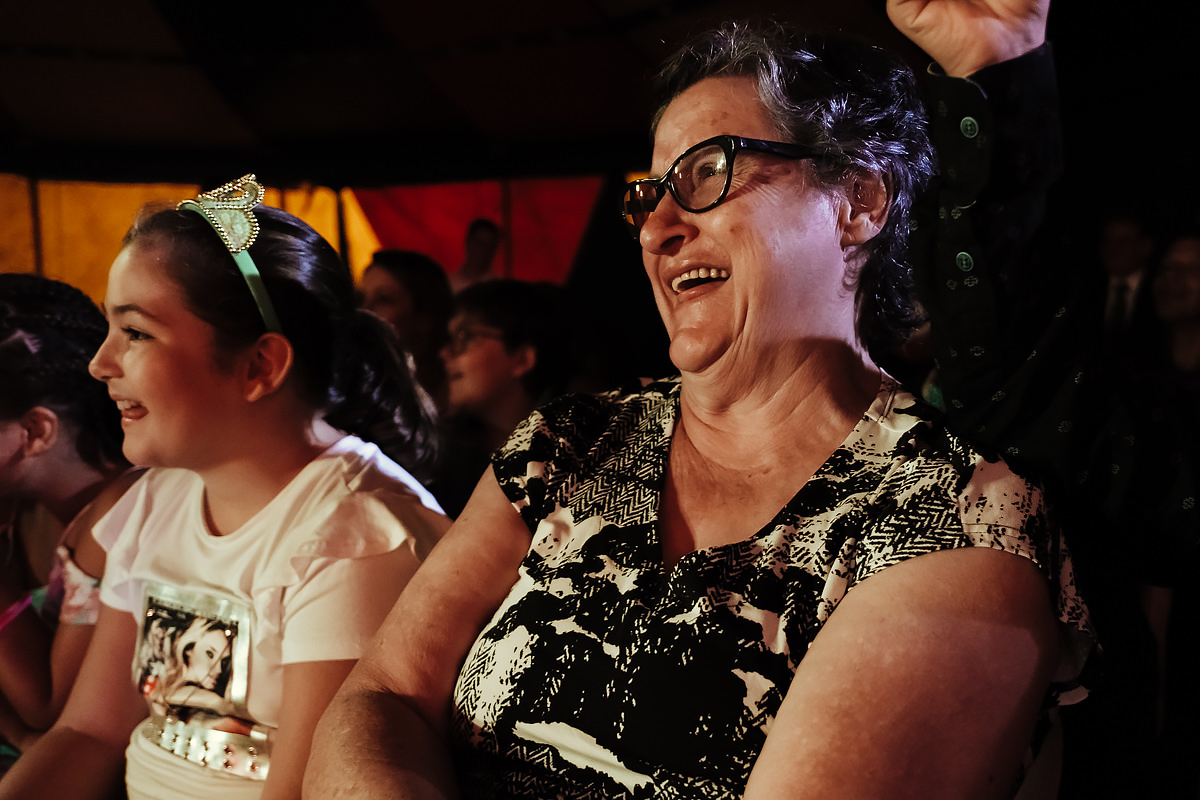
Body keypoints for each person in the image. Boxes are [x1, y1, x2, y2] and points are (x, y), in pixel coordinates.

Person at [305, 2, 1093, 797]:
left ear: (858, 201)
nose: (656, 228)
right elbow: (381, 697)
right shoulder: (573, 440)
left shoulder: (947, 517)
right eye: (649, 195)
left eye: (708, 171)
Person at [0, 175, 450, 800]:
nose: (100, 363)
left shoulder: (357, 536)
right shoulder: (158, 498)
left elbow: (299, 789)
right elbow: (90, 732)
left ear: (259, 366)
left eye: (135, 333)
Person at [0, 274, 143, 762]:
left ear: (36, 431)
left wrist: (20, 738)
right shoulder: (31, 509)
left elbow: (46, 707)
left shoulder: (119, 514)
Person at [429, 279, 577, 518]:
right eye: (450, 338)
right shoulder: (442, 462)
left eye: (465, 337)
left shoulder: (572, 460)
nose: (445, 353)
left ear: (523, 359)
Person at [358, 250, 454, 412]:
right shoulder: (354, 394)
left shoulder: (457, 405)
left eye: (384, 300)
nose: (364, 310)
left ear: (424, 319)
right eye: (360, 298)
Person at [449, 218, 502, 294]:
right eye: (479, 243)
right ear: (468, 242)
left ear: (494, 249)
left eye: (489, 246)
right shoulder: (448, 285)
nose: (483, 250)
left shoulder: (498, 290)